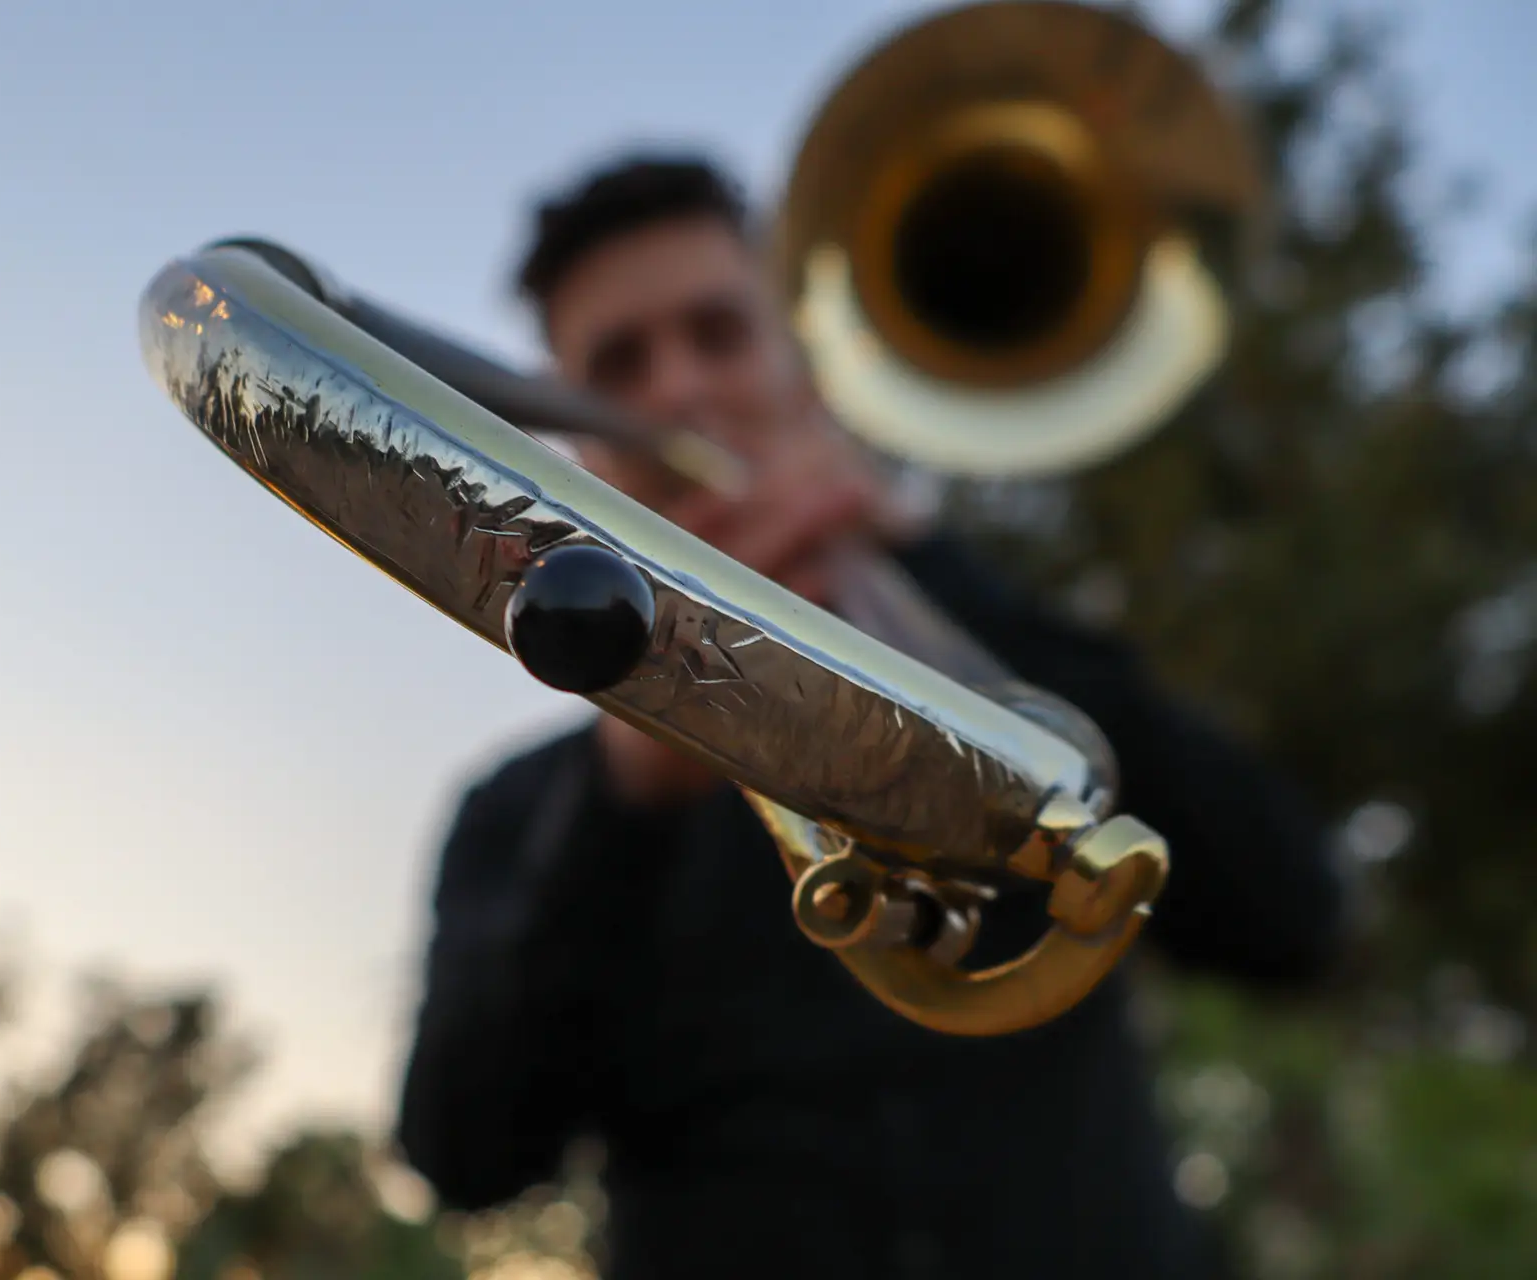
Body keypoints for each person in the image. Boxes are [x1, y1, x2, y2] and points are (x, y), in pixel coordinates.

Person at [393, 153, 1346, 1280]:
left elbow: (1294, 914)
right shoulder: (523, 808)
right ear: (579, 442)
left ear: (802, 365)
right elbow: (465, 1155)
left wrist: (921, 556)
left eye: (719, 332)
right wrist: (624, 799)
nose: (677, 392)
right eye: (617, 363)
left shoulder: (998, 654)